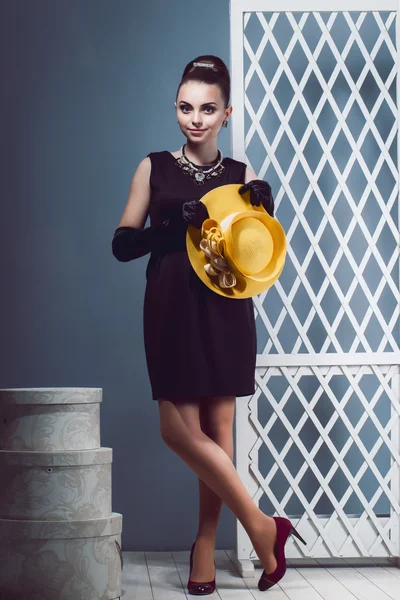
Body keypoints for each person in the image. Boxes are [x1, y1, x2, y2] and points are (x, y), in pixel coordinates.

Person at [112, 55, 305, 595]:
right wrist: (169, 225)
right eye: (185, 107)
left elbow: (257, 254)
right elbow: (122, 244)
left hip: (224, 310)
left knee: (219, 433)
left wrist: (267, 210)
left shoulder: (243, 176)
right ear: (177, 107)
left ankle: (204, 544)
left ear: (227, 114)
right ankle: (264, 526)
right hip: (171, 308)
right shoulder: (153, 167)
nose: (195, 118)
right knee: (179, 430)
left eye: (207, 109)